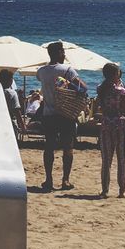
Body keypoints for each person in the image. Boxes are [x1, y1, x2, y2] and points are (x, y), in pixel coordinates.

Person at [35, 41, 87, 192]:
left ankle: (49, 180)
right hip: (66, 113)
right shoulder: (68, 70)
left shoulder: (41, 71)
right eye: (63, 52)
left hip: (48, 113)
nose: (65, 54)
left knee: (49, 147)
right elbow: (83, 88)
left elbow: (43, 82)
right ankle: (65, 180)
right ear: (58, 53)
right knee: (67, 147)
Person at [96, 63, 125, 199]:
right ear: (116, 74)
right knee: (121, 159)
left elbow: (102, 109)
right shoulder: (121, 91)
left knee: (106, 160)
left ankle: (105, 190)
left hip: (106, 125)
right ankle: (122, 191)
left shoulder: (100, 89)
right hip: (120, 126)